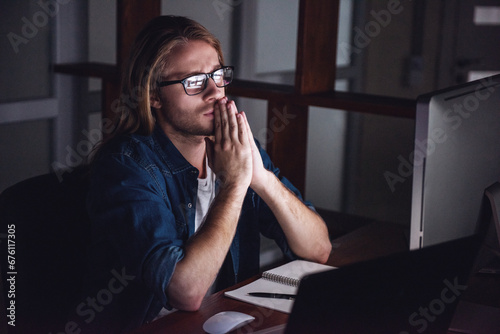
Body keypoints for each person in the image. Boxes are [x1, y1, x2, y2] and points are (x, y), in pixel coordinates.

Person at [80, 15, 331, 333]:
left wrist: (261, 178)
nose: (215, 91)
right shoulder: (125, 167)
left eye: (218, 75)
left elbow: (317, 249)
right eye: (194, 81)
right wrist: (235, 183)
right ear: (153, 96)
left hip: (225, 320)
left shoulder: (234, 147)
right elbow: (185, 291)